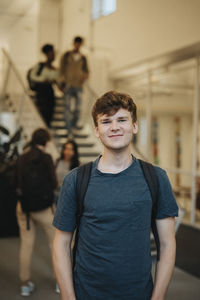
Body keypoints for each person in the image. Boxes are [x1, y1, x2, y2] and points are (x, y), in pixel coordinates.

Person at [52, 91, 178, 300]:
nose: (115, 127)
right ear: (96, 130)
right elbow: (60, 244)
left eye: (122, 119)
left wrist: (158, 298)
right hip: (87, 294)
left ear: (135, 126)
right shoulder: (76, 180)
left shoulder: (156, 178)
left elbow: (167, 244)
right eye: (106, 121)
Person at [15, 128, 57, 296]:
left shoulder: (21, 157)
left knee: (26, 245)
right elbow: (53, 183)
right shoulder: (46, 158)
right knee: (55, 243)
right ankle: (59, 282)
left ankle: (25, 284)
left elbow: (14, 182)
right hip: (42, 209)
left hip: (23, 208)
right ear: (46, 142)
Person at [59, 36, 89, 136]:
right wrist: (61, 83)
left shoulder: (83, 57)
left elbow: (86, 71)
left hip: (78, 86)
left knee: (78, 109)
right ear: (73, 43)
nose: (77, 45)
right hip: (68, 85)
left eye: (79, 43)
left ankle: (73, 126)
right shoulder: (66, 55)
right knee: (67, 108)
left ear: (81, 44)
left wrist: (84, 77)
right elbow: (61, 69)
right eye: (76, 43)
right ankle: (69, 130)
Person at [29, 44, 58, 127]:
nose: (53, 55)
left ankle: (46, 128)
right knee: (42, 112)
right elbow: (33, 76)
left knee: (49, 112)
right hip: (41, 92)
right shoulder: (40, 66)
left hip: (50, 92)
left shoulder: (55, 69)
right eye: (51, 53)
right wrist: (43, 79)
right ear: (47, 54)